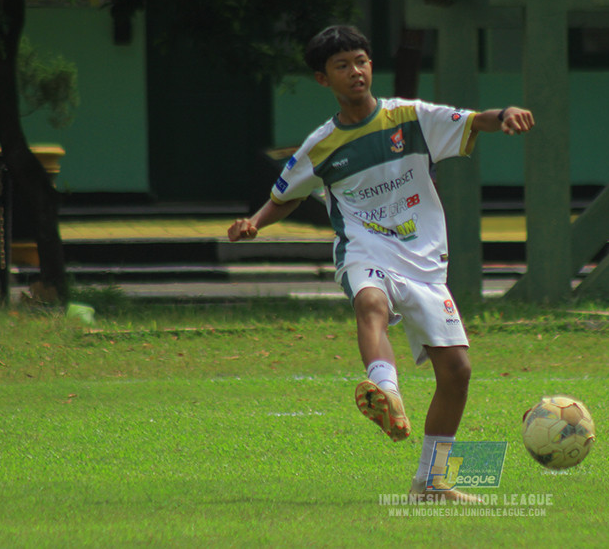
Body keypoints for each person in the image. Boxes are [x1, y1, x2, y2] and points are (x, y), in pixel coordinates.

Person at [227, 25, 534, 502]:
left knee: (457, 372)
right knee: (370, 303)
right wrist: (255, 222)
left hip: (425, 261)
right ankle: (384, 389)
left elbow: (475, 121)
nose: (356, 71)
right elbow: (286, 196)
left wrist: (506, 113)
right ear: (323, 79)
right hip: (365, 249)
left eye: (361, 61)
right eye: (342, 65)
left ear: (371, 65)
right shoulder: (321, 145)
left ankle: (430, 483)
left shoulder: (410, 118)